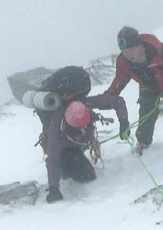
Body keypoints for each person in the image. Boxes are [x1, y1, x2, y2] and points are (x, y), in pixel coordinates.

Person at [35, 66, 129, 203]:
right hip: (64, 149)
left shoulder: (85, 103)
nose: (84, 128)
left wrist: (124, 121)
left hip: (77, 142)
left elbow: (116, 101)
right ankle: (66, 169)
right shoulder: (56, 125)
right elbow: (53, 158)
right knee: (86, 176)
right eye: (79, 127)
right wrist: (53, 188)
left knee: (83, 168)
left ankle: (73, 159)